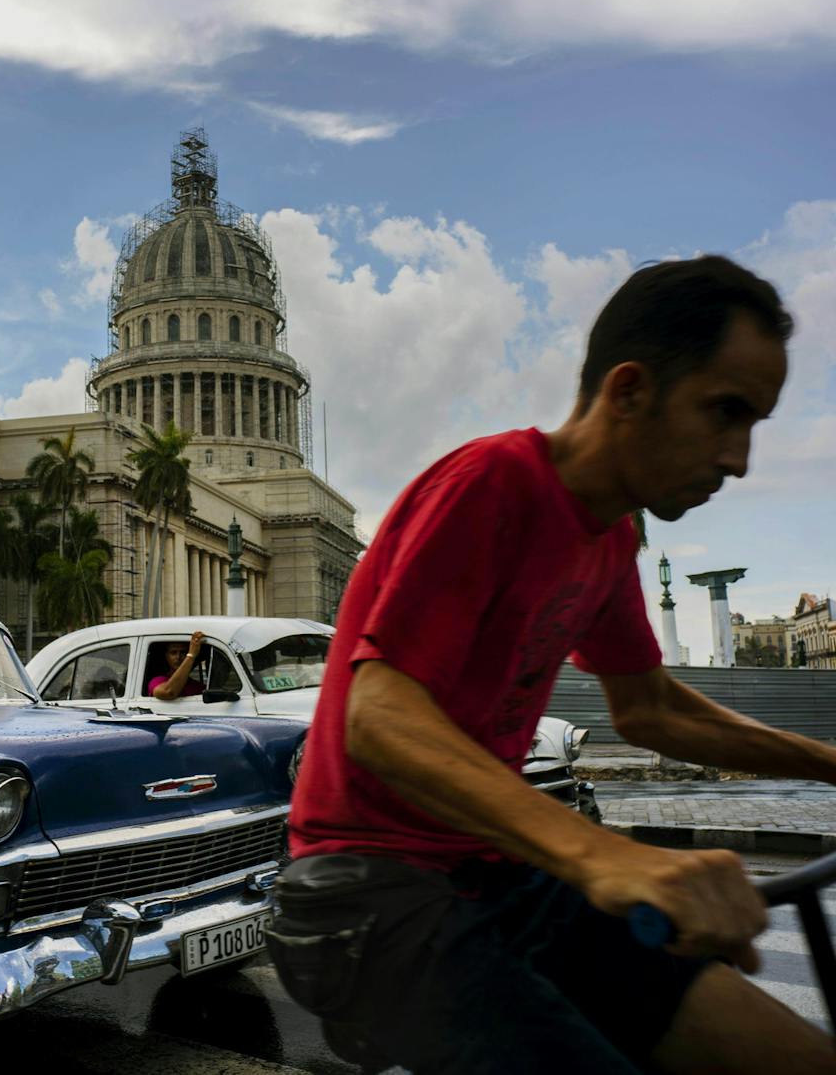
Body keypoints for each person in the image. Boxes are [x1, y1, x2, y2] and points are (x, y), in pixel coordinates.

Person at [272, 256, 836, 1074]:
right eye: (725, 413)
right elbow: (377, 714)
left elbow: (653, 710)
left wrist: (825, 762)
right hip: (366, 895)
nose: (741, 458)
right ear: (630, 390)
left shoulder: (608, 540)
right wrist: (604, 854)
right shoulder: (493, 482)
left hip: (497, 876)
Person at [147, 632, 206, 699]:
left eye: (183, 652)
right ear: (166, 656)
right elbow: (168, 692)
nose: (178, 657)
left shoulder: (198, 687)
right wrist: (191, 655)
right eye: (173, 652)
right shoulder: (158, 681)